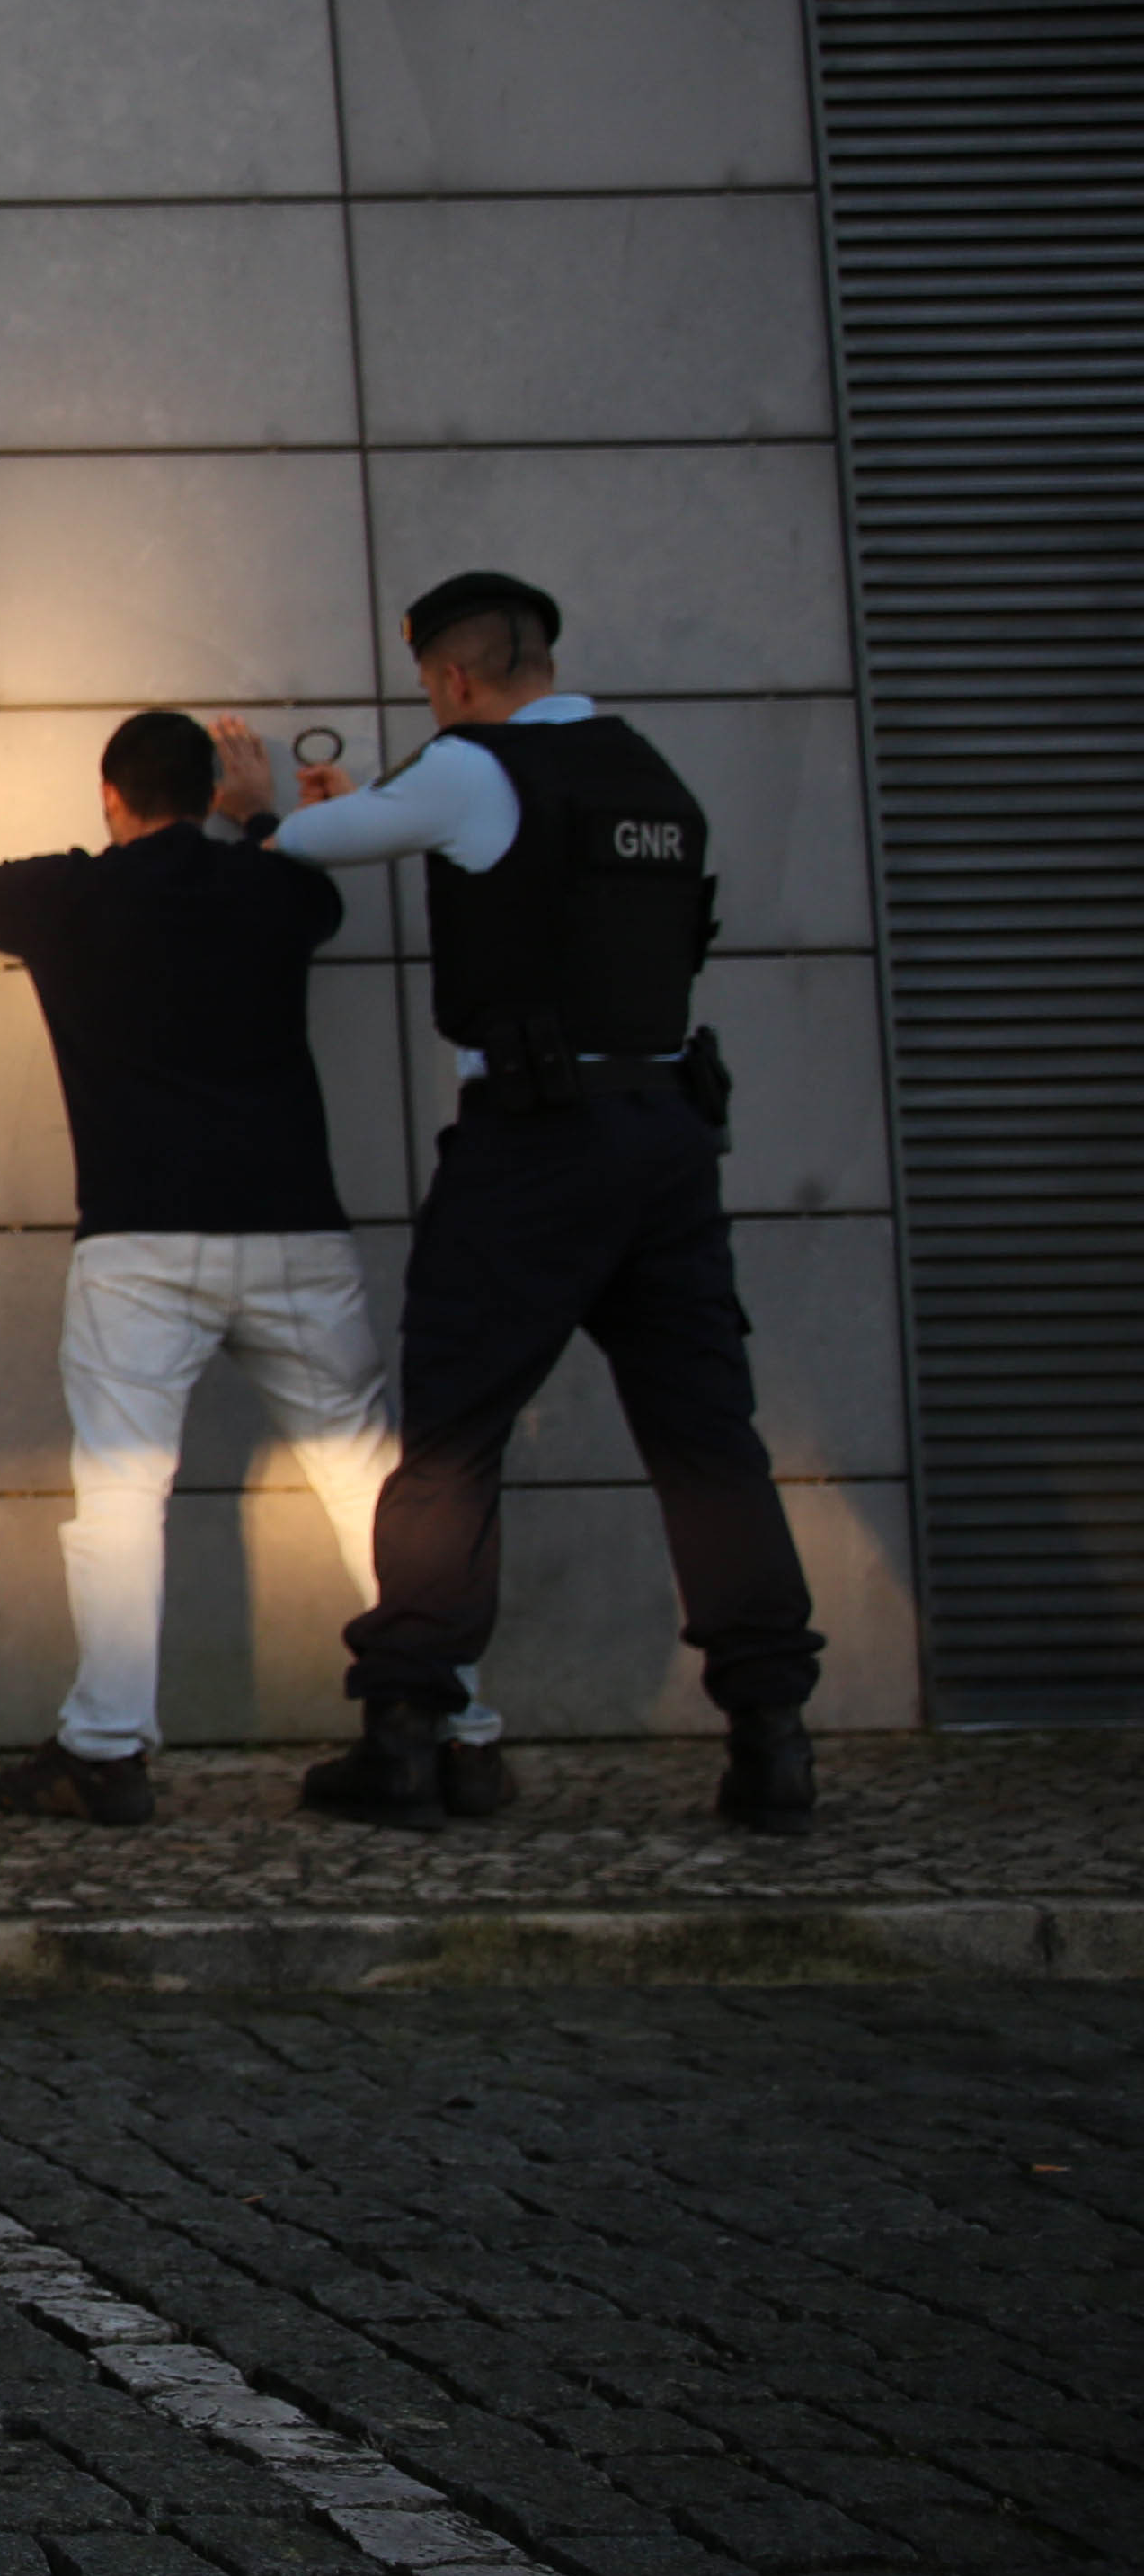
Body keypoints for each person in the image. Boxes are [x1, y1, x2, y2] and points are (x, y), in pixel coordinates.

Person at [0, 708, 485, 1825]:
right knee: (369, 1486)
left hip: (140, 1247)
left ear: (110, 799)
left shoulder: (70, 898)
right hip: (298, 1236)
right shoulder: (277, 889)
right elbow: (320, 896)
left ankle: (106, 1750)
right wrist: (266, 822)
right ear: (208, 794)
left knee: (118, 1501)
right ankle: (453, 1727)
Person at [221, 571, 820, 1834]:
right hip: (670, 1136)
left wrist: (273, 810)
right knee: (709, 1437)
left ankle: (403, 1733)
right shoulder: (655, 779)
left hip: (538, 1147)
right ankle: (772, 1738)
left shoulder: (471, 765)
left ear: (451, 678)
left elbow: (307, 847)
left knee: (452, 1435)